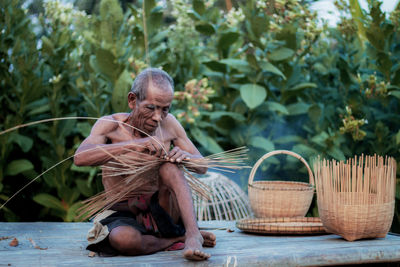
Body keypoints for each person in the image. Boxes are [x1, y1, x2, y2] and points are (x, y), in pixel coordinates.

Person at [74, 68, 216, 261]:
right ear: (132, 100)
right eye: (151, 108)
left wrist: (186, 157)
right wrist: (135, 144)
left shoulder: (169, 124)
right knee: (123, 240)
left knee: (169, 167)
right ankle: (177, 239)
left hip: (164, 210)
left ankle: (193, 234)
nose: (158, 117)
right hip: (124, 213)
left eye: (165, 109)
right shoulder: (110, 125)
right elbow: (80, 158)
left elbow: (203, 166)